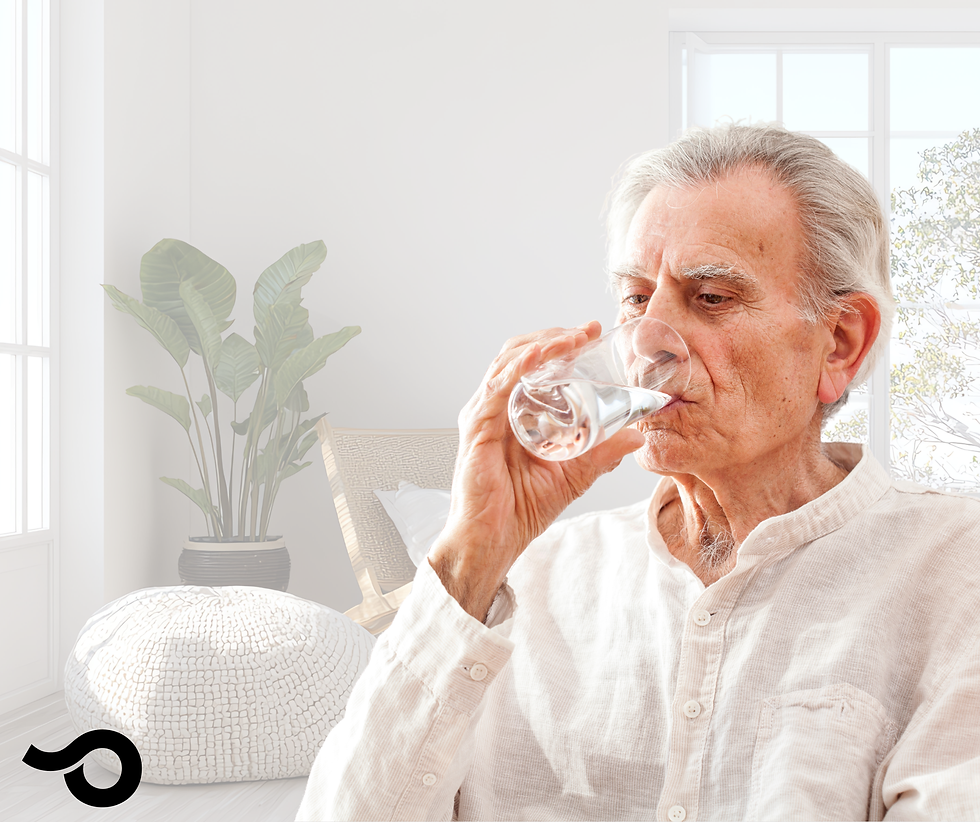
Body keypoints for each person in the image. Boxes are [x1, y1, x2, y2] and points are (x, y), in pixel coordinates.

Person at [297, 123, 980, 821]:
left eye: (710, 298)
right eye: (634, 298)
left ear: (840, 343)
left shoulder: (954, 570)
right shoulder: (530, 579)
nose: (648, 340)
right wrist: (470, 557)